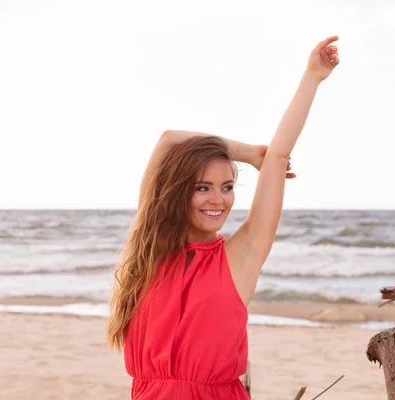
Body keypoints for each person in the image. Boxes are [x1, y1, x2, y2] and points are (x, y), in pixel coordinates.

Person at [107, 36, 340, 399]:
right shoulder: (150, 253)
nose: (218, 200)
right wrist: (247, 153)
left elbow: (278, 157)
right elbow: (169, 141)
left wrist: (312, 77)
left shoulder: (239, 257)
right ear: (178, 191)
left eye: (227, 187)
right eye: (203, 187)